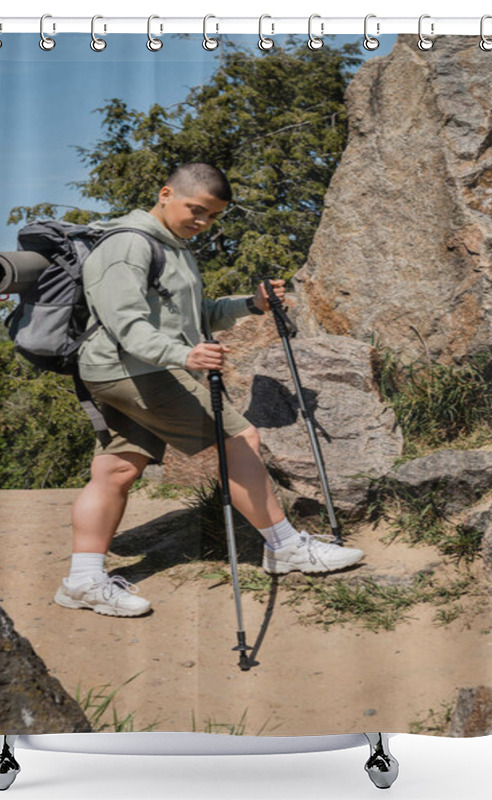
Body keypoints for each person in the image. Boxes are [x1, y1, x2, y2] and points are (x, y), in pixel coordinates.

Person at [53, 163, 365, 618]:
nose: (202, 223)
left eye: (213, 217)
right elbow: (126, 326)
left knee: (118, 469)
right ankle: (285, 548)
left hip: (124, 370)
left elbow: (197, 315)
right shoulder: (127, 246)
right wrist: (183, 356)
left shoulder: (172, 247)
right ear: (165, 193)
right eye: (195, 210)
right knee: (238, 440)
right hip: (134, 370)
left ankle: (82, 581)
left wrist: (251, 305)